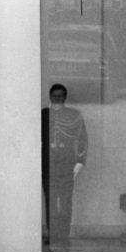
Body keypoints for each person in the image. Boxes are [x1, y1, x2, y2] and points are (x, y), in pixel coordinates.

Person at [41, 83, 87, 243]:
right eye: (55, 95)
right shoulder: (43, 115)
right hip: (47, 164)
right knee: (51, 202)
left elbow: (82, 140)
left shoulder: (74, 115)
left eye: (60, 96)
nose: (57, 98)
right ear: (50, 96)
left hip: (66, 163)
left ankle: (64, 235)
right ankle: (53, 234)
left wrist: (80, 161)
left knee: (66, 201)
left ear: (65, 97)